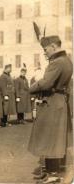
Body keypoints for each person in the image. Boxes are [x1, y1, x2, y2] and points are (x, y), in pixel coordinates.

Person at [28, 35, 73, 183]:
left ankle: (53, 175)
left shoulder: (57, 63)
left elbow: (46, 83)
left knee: (50, 137)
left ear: (53, 47)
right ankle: (49, 171)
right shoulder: (66, 61)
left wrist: (31, 88)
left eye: (46, 49)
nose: (45, 53)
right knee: (52, 137)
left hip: (52, 102)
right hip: (58, 101)